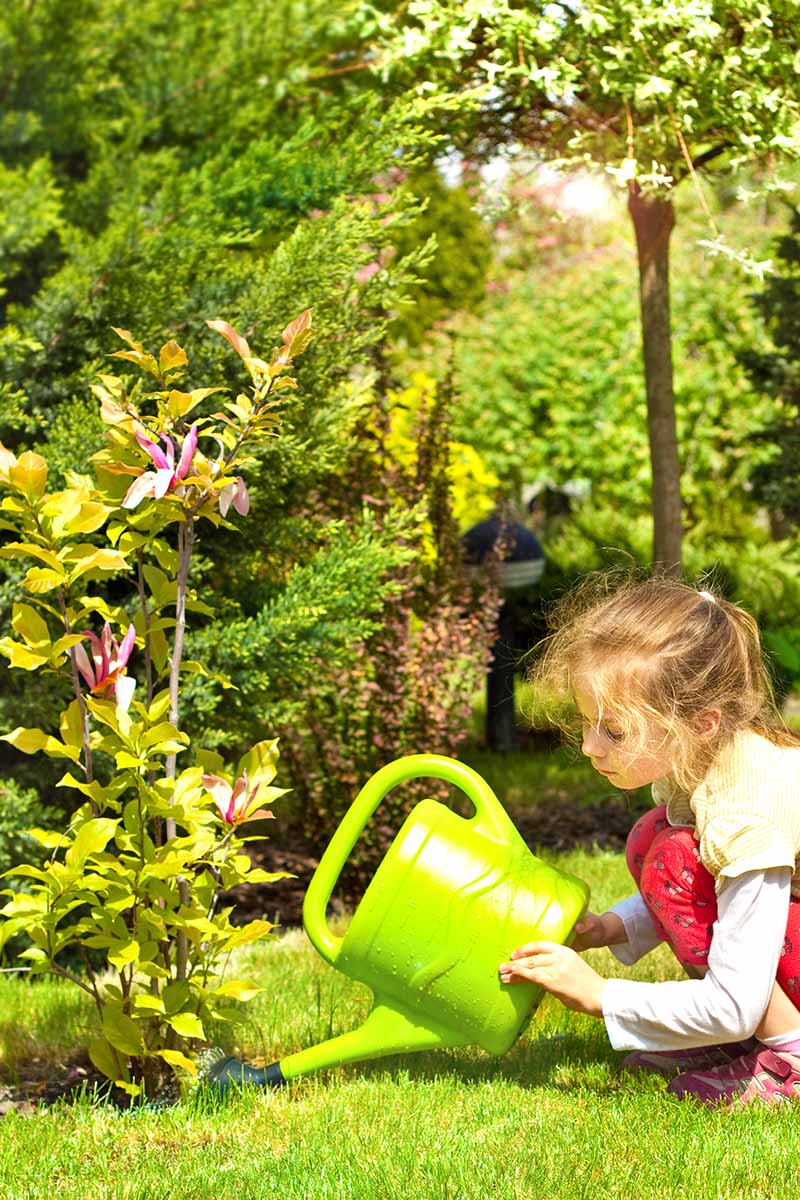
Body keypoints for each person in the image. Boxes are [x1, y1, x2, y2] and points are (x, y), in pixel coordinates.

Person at [498, 574, 800, 1109]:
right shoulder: (704, 761)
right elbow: (713, 889)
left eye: (614, 730)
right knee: (655, 841)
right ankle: (744, 1041)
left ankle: (789, 1056)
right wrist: (611, 927)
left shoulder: (745, 811)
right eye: (586, 722)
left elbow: (733, 998)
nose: (590, 746)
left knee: (672, 859)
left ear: (701, 723)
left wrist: (600, 996)